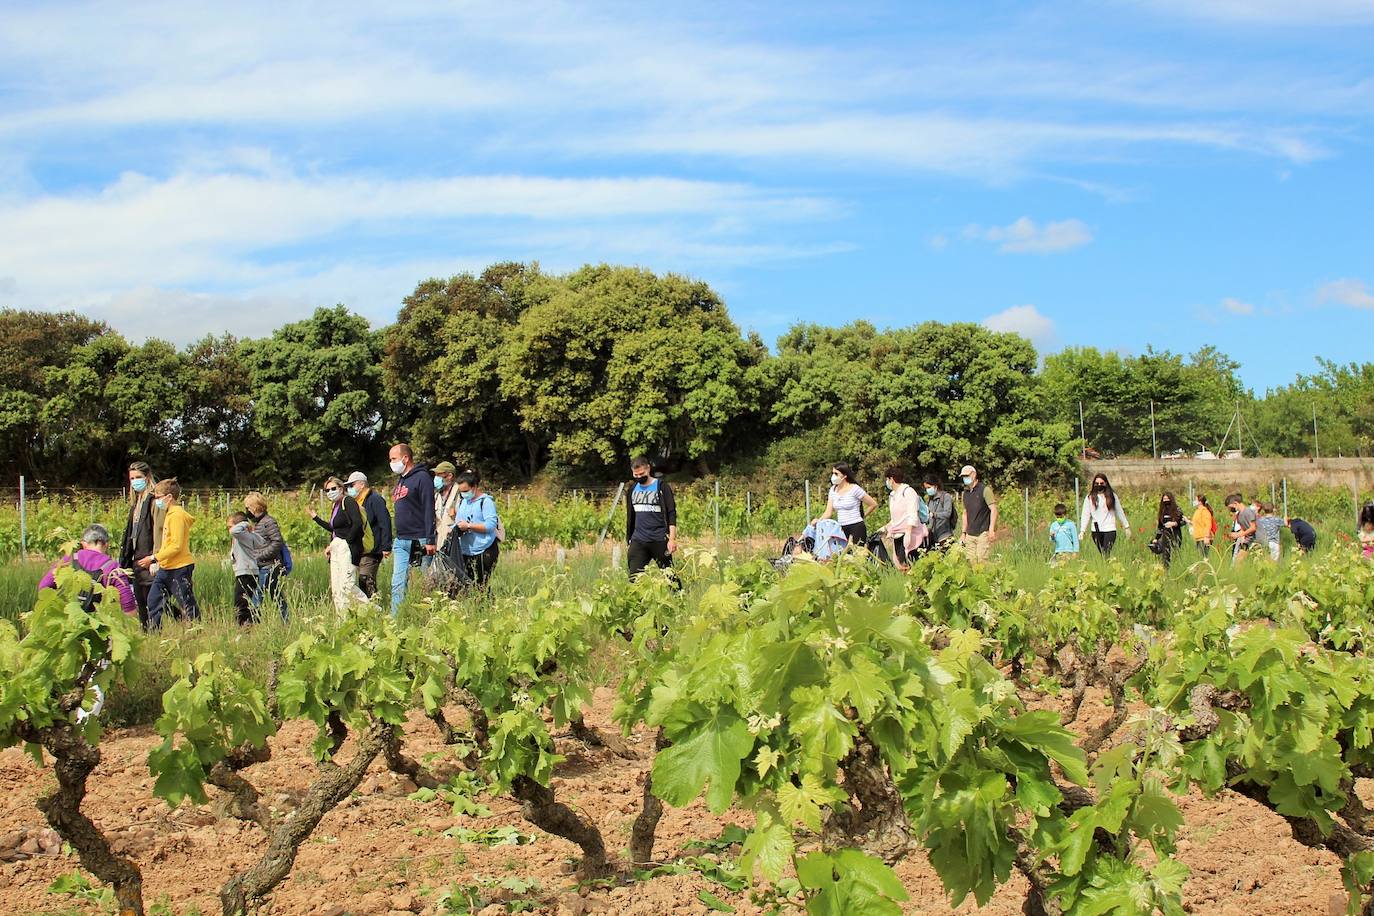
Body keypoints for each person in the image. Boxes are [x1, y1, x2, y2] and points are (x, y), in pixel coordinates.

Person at [138, 478, 199, 629]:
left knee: (185, 602)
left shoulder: (177, 516)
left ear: (169, 497)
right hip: (166, 567)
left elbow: (176, 546)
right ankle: (154, 633)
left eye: (158, 497)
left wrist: (153, 558)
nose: (156, 501)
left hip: (179, 567)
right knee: (153, 600)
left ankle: (196, 629)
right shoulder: (169, 514)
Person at [39, 523, 138, 616]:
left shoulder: (69, 560)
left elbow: (44, 587)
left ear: (83, 544)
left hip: (69, 621)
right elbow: (128, 605)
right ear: (106, 544)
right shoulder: (112, 568)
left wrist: (59, 609)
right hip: (99, 627)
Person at [389, 443, 437, 612]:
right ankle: (396, 620)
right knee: (397, 583)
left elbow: (429, 509)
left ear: (405, 458)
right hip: (401, 540)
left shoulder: (422, 478)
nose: (391, 462)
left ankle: (428, 617)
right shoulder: (401, 480)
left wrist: (430, 539)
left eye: (393, 458)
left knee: (424, 584)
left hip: (420, 539)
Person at [310, 476, 370, 611]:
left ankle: (372, 609)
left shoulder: (348, 501)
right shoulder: (335, 506)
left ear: (341, 488)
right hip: (336, 547)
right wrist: (316, 518)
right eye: (327, 490)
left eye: (333, 488)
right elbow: (334, 529)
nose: (330, 492)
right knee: (337, 589)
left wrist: (347, 541)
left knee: (347, 585)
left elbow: (357, 523)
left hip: (347, 547)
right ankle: (342, 619)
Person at [117, 461, 163, 627]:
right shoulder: (135, 504)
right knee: (141, 602)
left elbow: (158, 530)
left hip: (149, 558)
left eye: (138, 477)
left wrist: (155, 558)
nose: (135, 481)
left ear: (147, 477)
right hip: (136, 560)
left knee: (153, 601)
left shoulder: (153, 501)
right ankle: (147, 634)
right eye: (132, 478)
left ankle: (157, 633)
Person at [626, 456, 677, 577]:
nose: (639, 477)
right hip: (638, 540)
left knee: (670, 577)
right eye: (636, 475)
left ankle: (679, 596)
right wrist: (629, 537)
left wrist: (672, 539)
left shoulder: (662, 487)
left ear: (648, 469)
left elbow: (671, 513)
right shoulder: (632, 490)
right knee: (634, 579)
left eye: (641, 474)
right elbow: (630, 516)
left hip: (659, 539)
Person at [347, 471, 392, 598]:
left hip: (373, 549)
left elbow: (385, 521)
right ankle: (369, 606)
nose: (349, 488)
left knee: (366, 579)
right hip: (361, 548)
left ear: (361, 485)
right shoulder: (357, 502)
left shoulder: (374, 499)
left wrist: (386, 546)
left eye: (352, 485)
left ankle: (374, 606)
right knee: (361, 581)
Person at [453, 468, 501, 587]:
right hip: (466, 550)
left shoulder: (486, 502)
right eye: (461, 491)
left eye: (466, 490)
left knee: (481, 585)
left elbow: (490, 525)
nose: (463, 494)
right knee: (467, 584)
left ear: (474, 487)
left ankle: (485, 604)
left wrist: (469, 526)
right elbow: (458, 520)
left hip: (485, 549)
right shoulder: (463, 502)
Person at [244, 491, 289, 620]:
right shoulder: (258, 523)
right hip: (264, 565)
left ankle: (252, 622)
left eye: (248, 507)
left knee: (258, 595)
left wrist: (259, 556)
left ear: (254, 507)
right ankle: (285, 620)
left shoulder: (268, 522)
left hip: (269, 565)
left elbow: (277, 542)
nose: (247, 510)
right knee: (276, 594)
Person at [875, 467, 926, 569]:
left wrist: (908, 532)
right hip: (898, 534)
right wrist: (885, 528)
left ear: (891, 479)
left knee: (911, 563)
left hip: (910, 534)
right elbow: (896, 518)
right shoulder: (893, 495)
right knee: (901, 563)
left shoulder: (908, 492)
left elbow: (912, 513)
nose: (887, 482)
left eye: (887, 479)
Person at [815, 463, 877, 545]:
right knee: (842, 555)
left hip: (856, 527)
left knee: (857, 554)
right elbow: (828, 512)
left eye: (836, 474)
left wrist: (862, 516)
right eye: (833, 473)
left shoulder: (854, 489)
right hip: (841, 528)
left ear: (844, 476)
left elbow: (873, 504)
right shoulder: (833, 490)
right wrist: (818, 522)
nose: (834, 476)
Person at [227, 512, 266, 625]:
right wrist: (252, 531)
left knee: (240, 603)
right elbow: (261, 542)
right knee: (246, 601)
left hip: (246, 573)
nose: (229, 530)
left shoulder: (242, 535)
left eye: (230, 526)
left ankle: (244, 626)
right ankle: (253, 623)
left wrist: (245, 523)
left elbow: (234, 531)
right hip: (248, 572)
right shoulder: (246, 536)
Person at [1080, 473, 1130, 557]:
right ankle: (1105, 567)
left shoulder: (1112, 496)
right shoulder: (1090, 497)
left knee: (1106, 553)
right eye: (1097, 484)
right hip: (1096, 530)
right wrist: (1082, 531)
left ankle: (1107, 567)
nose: (1099, 485)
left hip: (1109, 529)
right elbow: (1086, 514)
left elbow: (1119, 511)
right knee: (1102, 553)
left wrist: (1126, 526)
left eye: (1101, 483)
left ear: (1106, 483)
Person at [958, 464, 998, 562]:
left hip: (983, 533)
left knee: (982, 561)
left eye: (967, 475)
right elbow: (965, 513)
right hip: (970, 534)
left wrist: (991, 529)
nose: (965, 478)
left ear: (974, 475)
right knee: (971, 561)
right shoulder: (966, 493)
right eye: (963, 476)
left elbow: (993, 509)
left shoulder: (985, 490)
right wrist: (963, 533)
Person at [432, 461, 463, 556]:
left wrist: (456, 516)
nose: (436, 478)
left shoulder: (460, 492)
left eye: (439, 475)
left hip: (455, 544)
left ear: (449, 475)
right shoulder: (437, 494)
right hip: (439, 542)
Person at [922, 474, 957, 549]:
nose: (927, 490)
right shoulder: (930, 500)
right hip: (933, 536)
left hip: (944, 535)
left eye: (929, 487)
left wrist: (935, 515)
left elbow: (947, 514)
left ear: (935, 486)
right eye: (926, 488)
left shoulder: (946, 497)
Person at [1151, 492, 1184, 566]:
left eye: (1167, 499)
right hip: (1165, 536)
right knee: (1165, 554)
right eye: (1164, 499)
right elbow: (1160, 527)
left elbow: (1183, 521)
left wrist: (1174, 523)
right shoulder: (1162, 511)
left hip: (1175, 535)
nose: (1166, 500)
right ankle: (1166, 569)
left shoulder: (1177, 509)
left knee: (1175, 553)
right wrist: (1156, 538)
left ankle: (1176, 567)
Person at [1224, 493, 1258, 563]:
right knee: (1237, 562)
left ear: (1235, 503)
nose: (1230, 509)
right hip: (1247, 542)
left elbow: (1253, 527)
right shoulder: (1239, 515)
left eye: (1230, 507)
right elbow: (1243, 530)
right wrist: (1235, 534)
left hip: (1256, 541)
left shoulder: (1248, 512)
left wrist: (1239, 535)